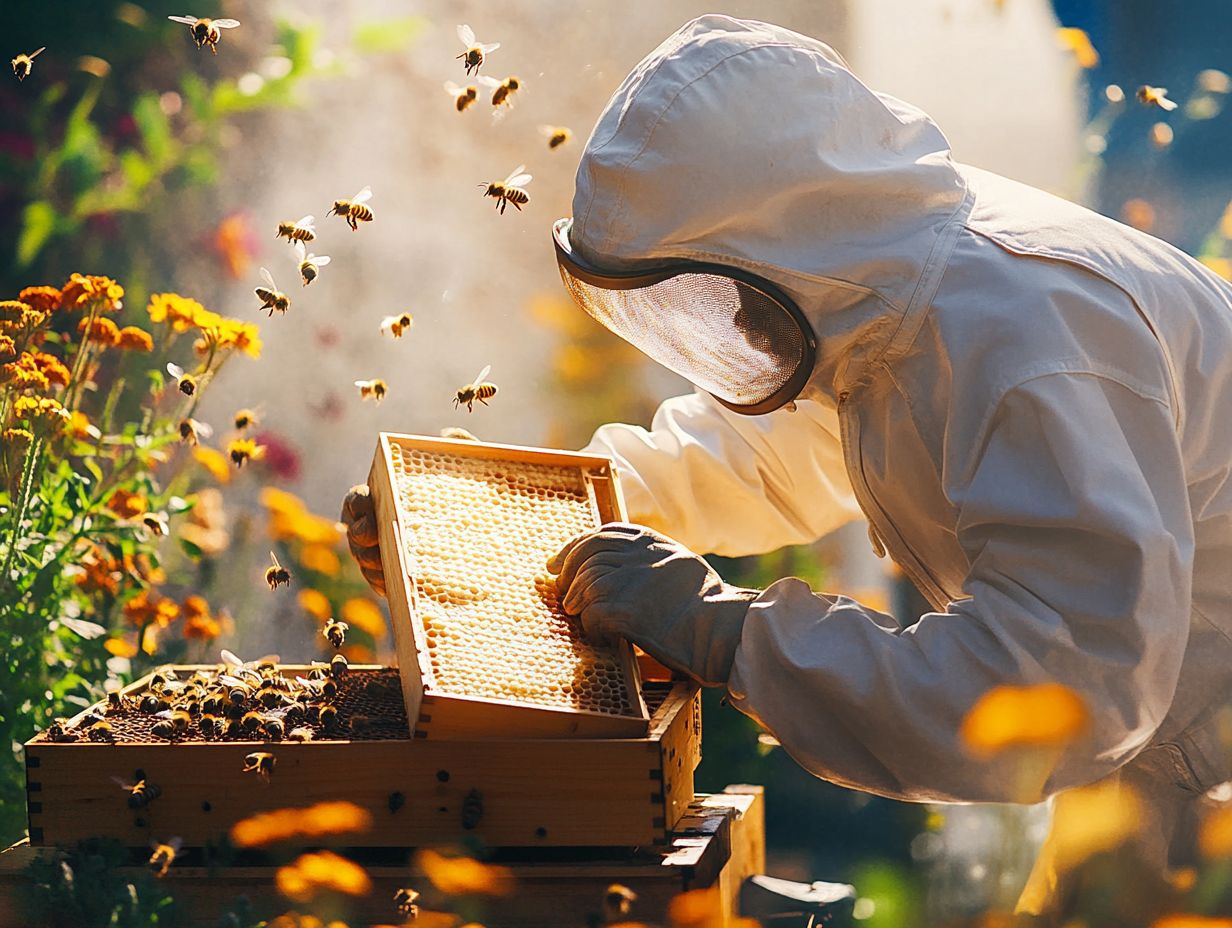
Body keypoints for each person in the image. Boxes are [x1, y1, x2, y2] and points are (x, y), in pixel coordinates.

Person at [343, 15, 1232, 904]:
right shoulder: (887, 296)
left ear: (783, 242)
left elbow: (1061, 687)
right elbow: (761, 458)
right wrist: (495, 516)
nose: (719, 325)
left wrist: (728, 631)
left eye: (706, 290)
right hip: (1171, 749)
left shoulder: (1034, 344)